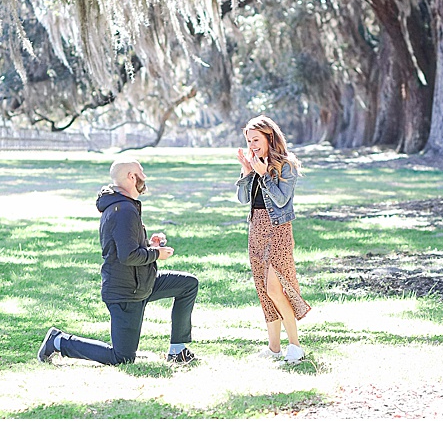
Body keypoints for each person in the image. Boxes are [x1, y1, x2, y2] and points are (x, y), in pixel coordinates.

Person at [37, 158, 199, 365]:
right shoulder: (123, 210)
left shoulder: (121, 206)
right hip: (125, 292)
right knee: (122, 358)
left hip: (142, 282)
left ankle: (178, 350)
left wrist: (151, 245)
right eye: (141, 172)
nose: (145, 177)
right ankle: (59, 341)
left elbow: (126, 247)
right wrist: (157, 255)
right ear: (131, 177)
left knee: (187, 284)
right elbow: (128, 256)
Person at [235, 115, 311, 364]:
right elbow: (243, 199)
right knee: (264, 291)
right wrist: (248, 173)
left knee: (276, 289)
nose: (252, 145)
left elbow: (280, 200)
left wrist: (264, 173)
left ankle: (296, 347)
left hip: (277, 230)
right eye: (249, 140)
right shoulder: (255, 163)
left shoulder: (285, 165)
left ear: (270, 137)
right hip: (256, 228)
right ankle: (274, 348)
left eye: (256, 139)